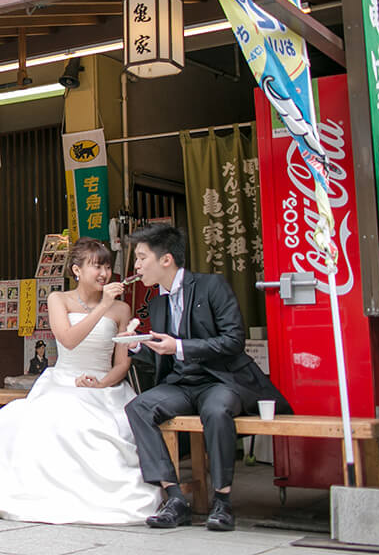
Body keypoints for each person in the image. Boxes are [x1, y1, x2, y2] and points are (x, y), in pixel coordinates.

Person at [0, 238, 161, 524]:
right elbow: (68, 340)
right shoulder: (59, 300)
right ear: (77, 270)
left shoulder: (121, 310)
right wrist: (102, 305)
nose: (104, 274)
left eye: (107, 267)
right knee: (45, 421)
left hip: (104, 386)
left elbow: (122, 363)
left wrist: (101, 383)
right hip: (63, 382)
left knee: (105, 429)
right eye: (96, 267)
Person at [124, 223, 291, 532]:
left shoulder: (211, 286)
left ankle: (223, 501)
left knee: (216, 410)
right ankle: (174, 498)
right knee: (138, 407)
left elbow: (233, 341)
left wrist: (181, 346)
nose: (136, 266)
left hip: (221, 380)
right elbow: (163, 353)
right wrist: (138, 346)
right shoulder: (157, 302)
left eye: (141, 257)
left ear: (166, 259)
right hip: (182, 384)